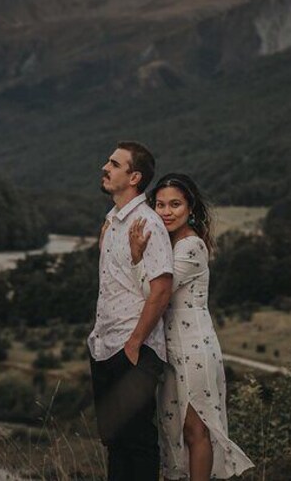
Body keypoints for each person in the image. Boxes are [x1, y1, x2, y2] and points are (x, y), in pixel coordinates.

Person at [129, 173, 254, 481]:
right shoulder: (166, 244)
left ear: (190, 207)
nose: (167, 211)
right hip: (169, 348)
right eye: (160, 204)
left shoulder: (191, 246)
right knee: (173, 427)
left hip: (194, 346)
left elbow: (152, 291)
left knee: (195, 429)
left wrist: (136, 257)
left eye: (175, 204)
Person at [88, 141, 174, 481]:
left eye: (114, 163)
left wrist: (135, 344)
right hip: (105, 345)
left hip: (132, 348)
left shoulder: (147, 223)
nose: (104, 167)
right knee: (115, 441)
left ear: (135, 176)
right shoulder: (112, 221)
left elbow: (162, 288)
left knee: (137, 442)